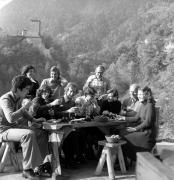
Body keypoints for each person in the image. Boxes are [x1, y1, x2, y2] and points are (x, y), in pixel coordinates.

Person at [0, 75, 48, 179]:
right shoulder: (5, 99)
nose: (28, 91)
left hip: (13, 128)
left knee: (41, 132)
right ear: (18, 89)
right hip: (3, 130)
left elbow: (23, 112)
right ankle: (27, 169)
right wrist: (25, 107)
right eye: (26, 89)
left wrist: (33, 120)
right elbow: (11, 118)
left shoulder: (18, 97)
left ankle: (39, 167)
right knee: (28, 134)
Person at [119, 87, 156, 162]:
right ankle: (124, 160)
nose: (138, 96)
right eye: (138, 94)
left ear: (147, 95)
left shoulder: (150, 105)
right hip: (142, 131)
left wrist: (135, 129)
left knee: (124, 136)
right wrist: (123, 118)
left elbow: (147, 122)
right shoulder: (143, 104)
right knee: (122, 131)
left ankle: (126, 161)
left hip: (147, 134)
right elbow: (136, 118)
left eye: (140, 94)